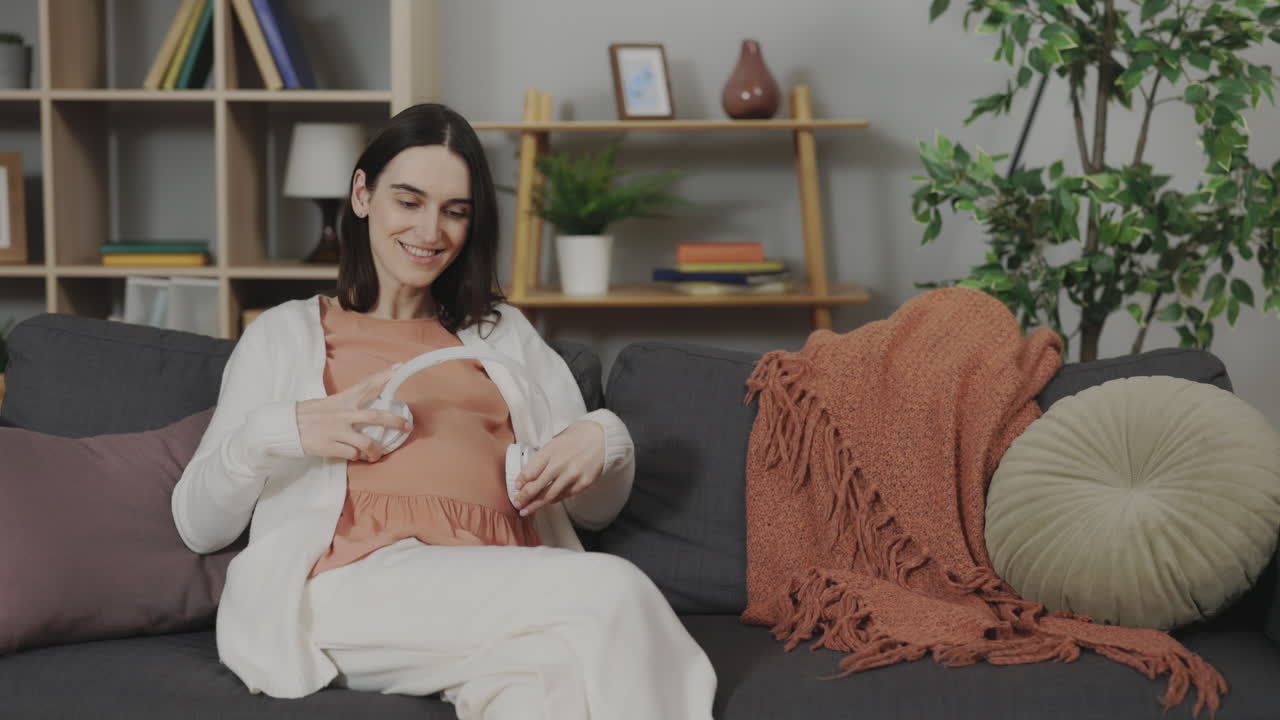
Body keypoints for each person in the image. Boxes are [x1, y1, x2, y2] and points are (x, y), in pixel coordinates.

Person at [172, 103, 716, 719]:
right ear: (361, 194)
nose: (431, 231)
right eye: (409, 201)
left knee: (546, 682)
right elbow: (199, 525)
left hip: (504, 580)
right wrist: (284, 429)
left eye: (455, 211)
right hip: (351, 588)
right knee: (613, 589)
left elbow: (592, 511)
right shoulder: (285, 334)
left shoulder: (503, 334)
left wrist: (605, 439)